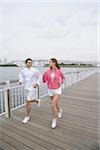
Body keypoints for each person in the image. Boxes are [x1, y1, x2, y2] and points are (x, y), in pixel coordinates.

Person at [43, 58, 65, 129]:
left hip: (57, 90)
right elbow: (44, 81)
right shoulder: (47, 71)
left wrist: (61, 82)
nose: (49, 63)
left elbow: (64, 78)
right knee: (55, 103)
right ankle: (59, 110)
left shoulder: (59, 71)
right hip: (50, 90)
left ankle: (54, 120)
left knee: (52, 105)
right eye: (49, 62)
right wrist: (43, 76)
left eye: (50, 62)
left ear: (54, 63)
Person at [19, 58, 41, 124]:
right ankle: (37, 100)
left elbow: (40, 76)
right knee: (30, 100)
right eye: (29, 62)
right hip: (26, 87)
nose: (30, 63)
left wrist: (37, 83)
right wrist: (20, 80)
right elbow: (21, 76)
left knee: (28, 102)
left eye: (31, 62)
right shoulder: (23, 71)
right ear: (26, 63)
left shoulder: (35, 70)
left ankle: (27, 116)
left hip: (32, 88)